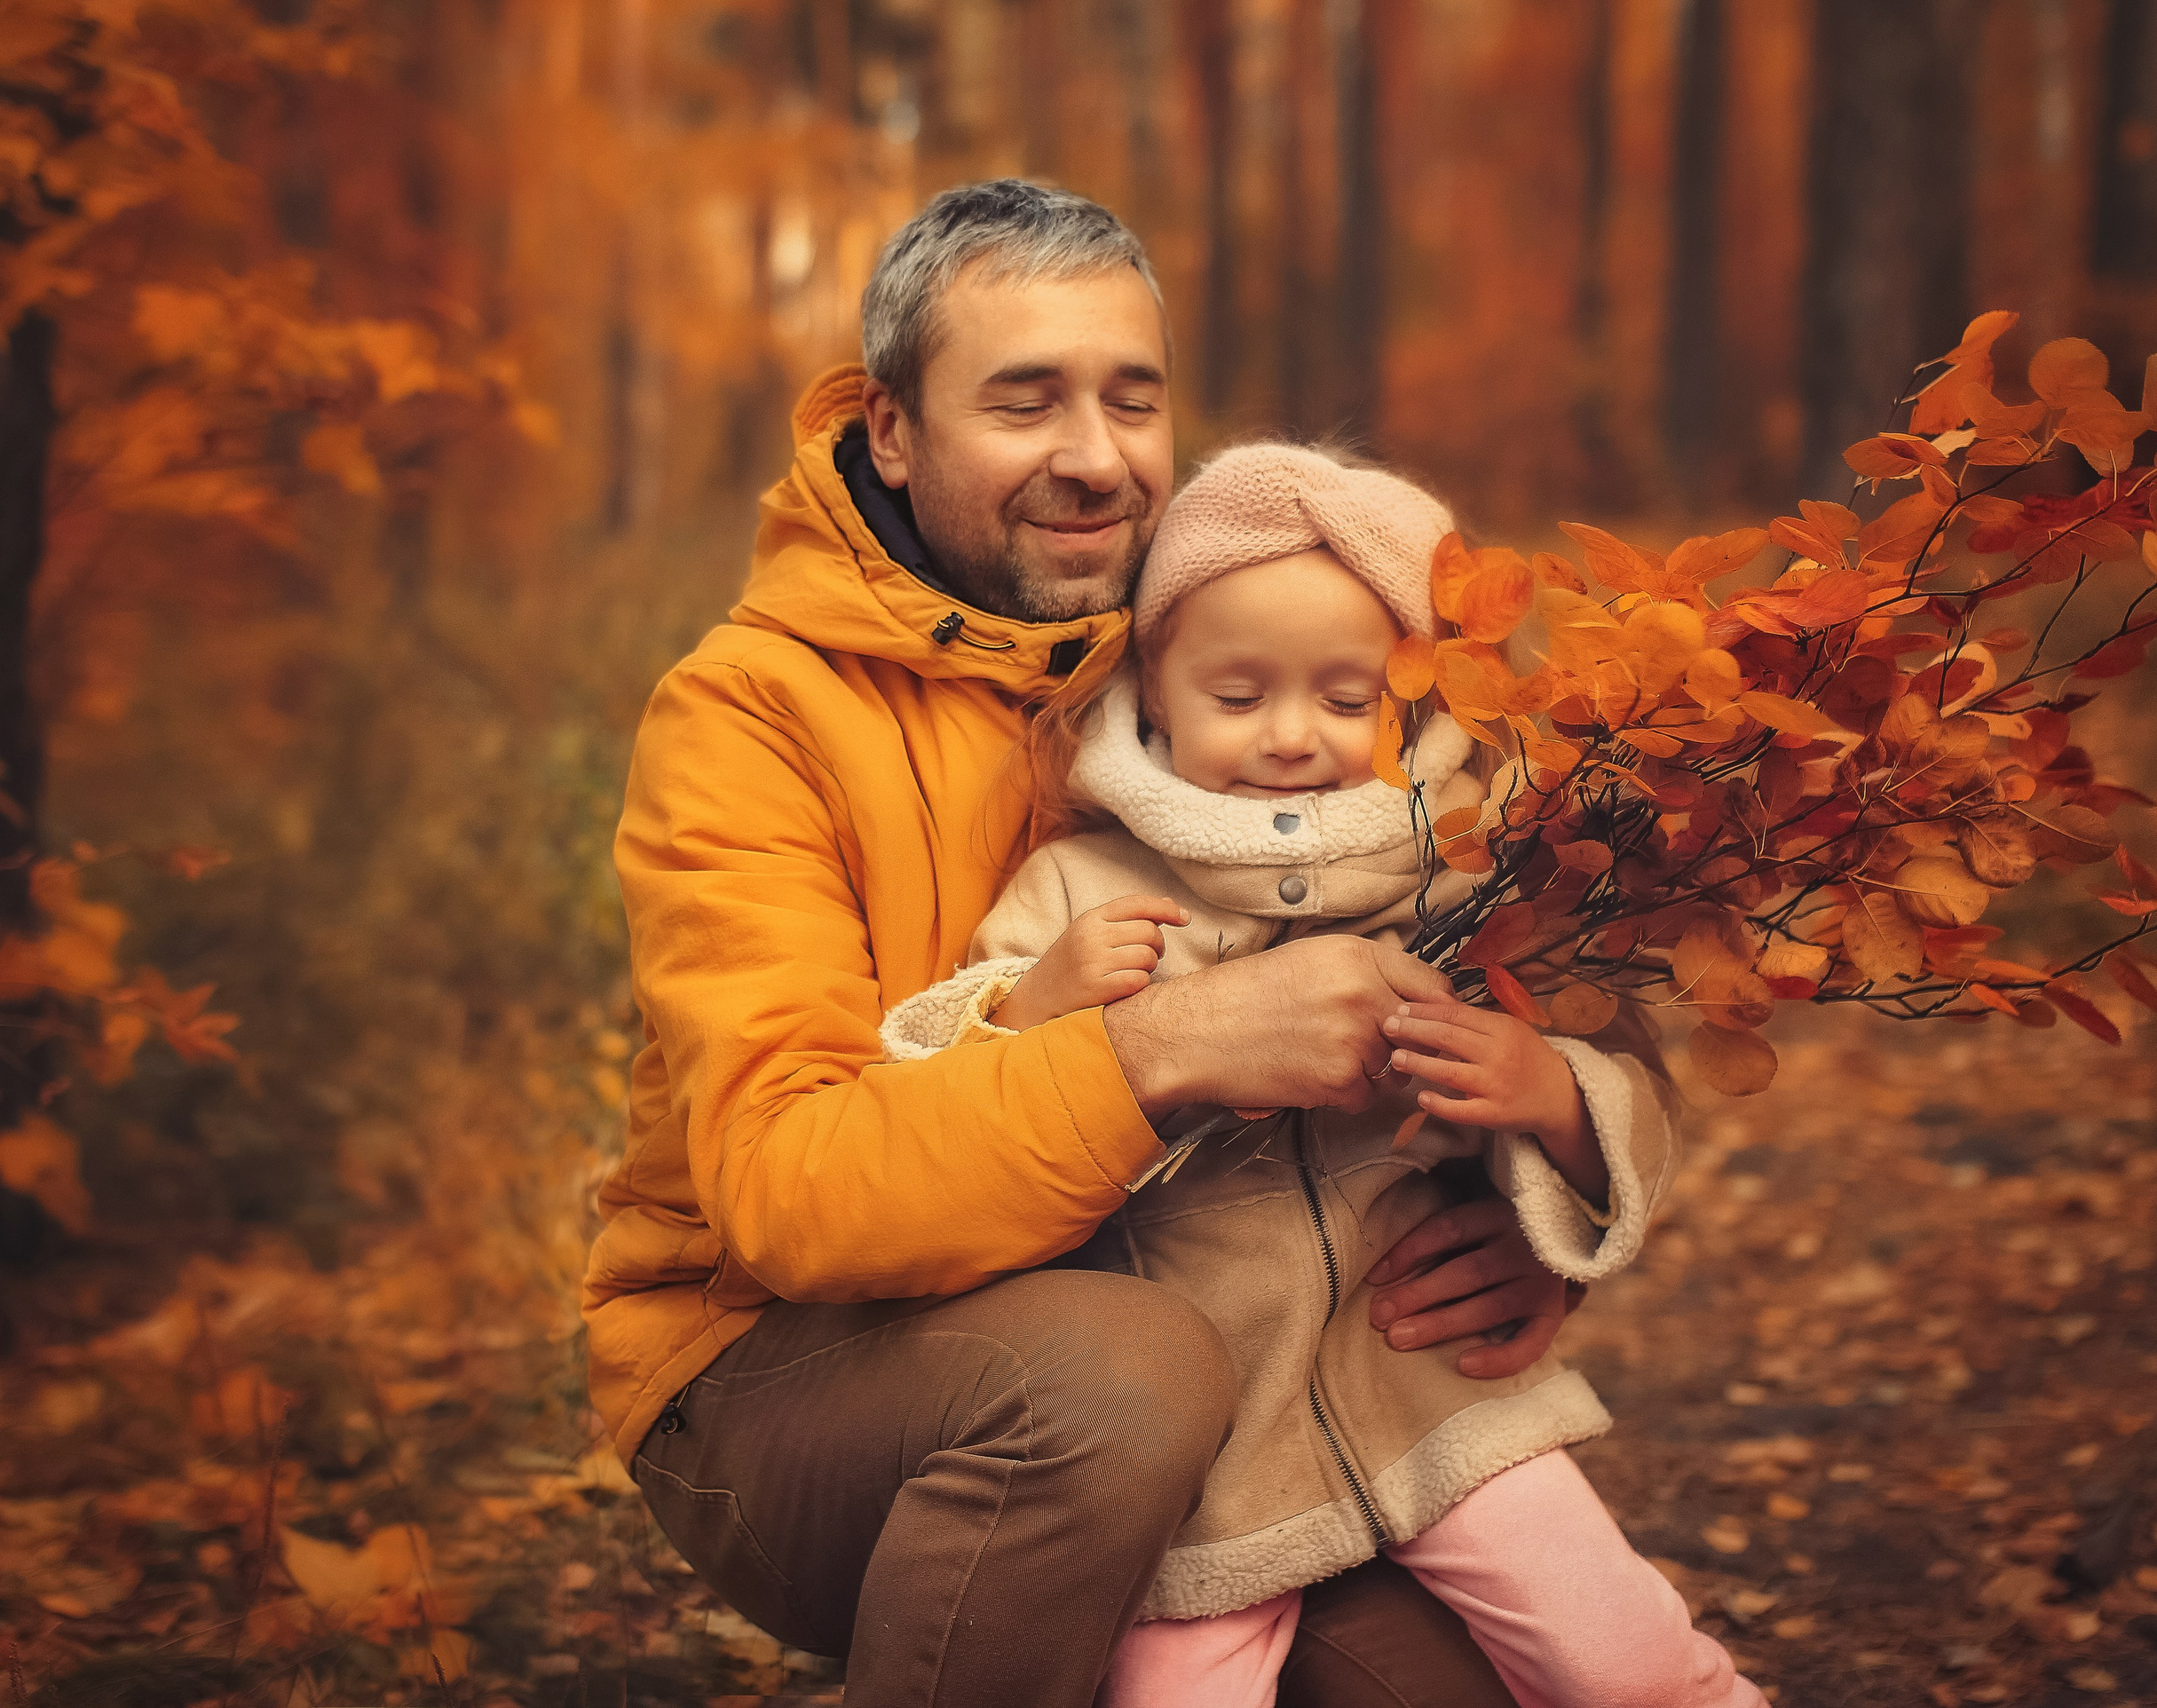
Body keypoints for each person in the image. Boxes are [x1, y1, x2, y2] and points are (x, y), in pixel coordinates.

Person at [586, 179, 1586, 1708]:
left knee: (1470, 1686)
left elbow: (1504, 965)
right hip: (784, 1364)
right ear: (894, 428)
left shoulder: (1215, 650)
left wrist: (1527, 1214)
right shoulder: (751, 713)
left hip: (1236, 1356)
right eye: (1024, 400)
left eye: (1134, 399)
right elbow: (791, 1196)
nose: (1095, 457)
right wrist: (1177, 1042)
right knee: (1122, 1381)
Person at [881, 442, 1766, 1708]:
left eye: (1346, 701)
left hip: (1428, 1395)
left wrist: (1552, 1094)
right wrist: (1032, 1008)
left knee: (1626, 1662)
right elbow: (944, 1108)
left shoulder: (1464, 877)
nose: (1293, 739)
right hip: (1202, 1452)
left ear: (1409, 707)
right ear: (1155, 693)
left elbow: (1626, 1081)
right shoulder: (1086, 888)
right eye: (1239, 698)